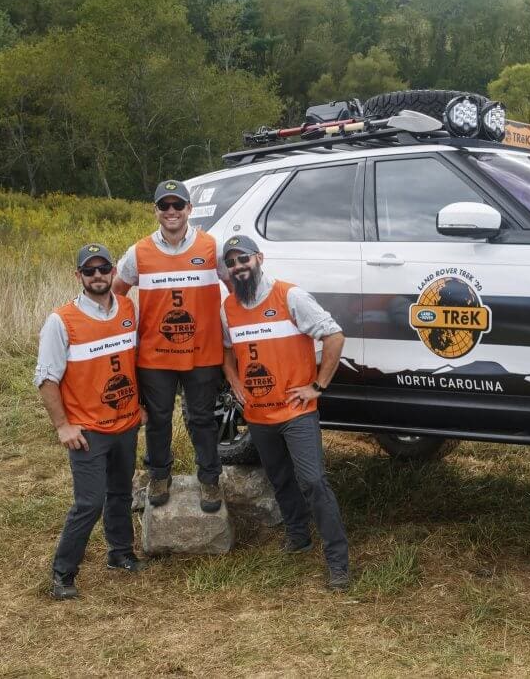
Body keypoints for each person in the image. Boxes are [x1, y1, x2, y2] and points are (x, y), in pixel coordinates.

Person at [219, 235, 351, 591]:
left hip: (297, 412)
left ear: (258, 258)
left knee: (312, 481)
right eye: (231, 263)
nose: (238, 267)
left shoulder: (290, 296)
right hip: (259, 416)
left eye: (243, 259)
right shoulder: (228, 307)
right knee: (279, 479)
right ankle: (298, 537)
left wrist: (318, 386)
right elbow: (227, 351)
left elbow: (334, 336)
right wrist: (234, 383)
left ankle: (337, 561)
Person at [36, 244, 147, 600]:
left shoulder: (129, 308)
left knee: (120, 492)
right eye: (90, 270)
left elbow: (134, 362)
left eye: (104, 268)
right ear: (79, 276)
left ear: (114, 271)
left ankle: (120, 553)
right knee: (89, 502)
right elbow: (46, 379)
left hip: (126, 424)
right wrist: (63, 427)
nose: (98, 275)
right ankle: (63, 573)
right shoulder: (61, 321)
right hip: (88, 431)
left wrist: (141, 405)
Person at [112, 180, 227, 512]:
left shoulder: (210, 247)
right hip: (155, 355)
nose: (172, 211)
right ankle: (159, 475)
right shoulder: (139, 252)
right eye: (165, 206)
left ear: (189, 210)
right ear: (157, 211)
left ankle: (209, 481)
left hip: (202, 353)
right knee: (159, 419)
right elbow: (117, 292)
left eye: (179, 205)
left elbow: (236, 286)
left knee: (203, 419)